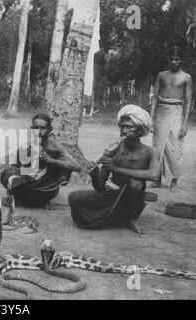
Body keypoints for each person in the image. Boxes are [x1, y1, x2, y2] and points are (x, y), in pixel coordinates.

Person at [68, 105, 161, 234]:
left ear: (140, 131)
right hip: (110, 195)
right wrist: (95, 175)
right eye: (122, 126)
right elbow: (100, 188)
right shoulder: (114, 151)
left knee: (136, 184)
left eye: (129, 127)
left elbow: (155, 175)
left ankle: (131, 219)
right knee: (74, 197)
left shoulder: (151, 152)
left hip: (131, 198)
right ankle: (117, 217)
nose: (124, 130)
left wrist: (116, 169)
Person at [0, 113, 81, 209]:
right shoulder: (27, 147)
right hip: (30, 183)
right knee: (8, 172)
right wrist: (10, 194)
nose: (39, 131)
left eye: (43, 128)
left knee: (62, 168)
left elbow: (77, 167)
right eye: (36, 128)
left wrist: (52, 160)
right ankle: (23, 198)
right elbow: (14, 169)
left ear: (50, 130)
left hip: (46, 188)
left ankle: (42, 200)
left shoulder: (56, 147)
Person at [150, 46, 193, 192]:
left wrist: (185, 124)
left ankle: (174, 180)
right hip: (162, 110)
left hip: (177, 111)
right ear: (168, 60)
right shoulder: (161, 75)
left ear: (181, 61)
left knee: (175, 146)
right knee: (158, 146)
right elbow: (155, 97)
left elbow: (188, 100)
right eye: (172, 59)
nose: (174, 62)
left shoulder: (186, 77)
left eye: (177, 59)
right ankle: (156, 179)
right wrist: (152, 118)